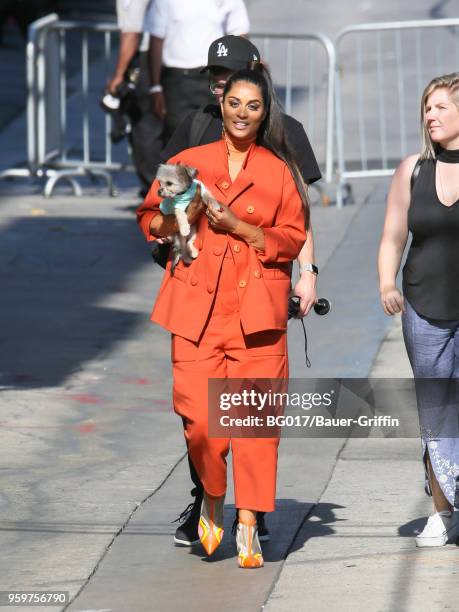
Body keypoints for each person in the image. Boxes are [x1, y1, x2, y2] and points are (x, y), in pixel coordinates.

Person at [137, 64, 308, 567]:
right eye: (235, 103)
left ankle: (249, 519)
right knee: (201, 423)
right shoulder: (187, 160)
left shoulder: (278, 170)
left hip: (256, 313)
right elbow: (150, 219)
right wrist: (179, 217)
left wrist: (242, 227)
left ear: (263, 115)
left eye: (253, 107)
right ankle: (213, 496)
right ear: (222, 105)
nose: (242, 113)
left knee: (255, 423)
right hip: (197, 311)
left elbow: (293, 237)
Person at [378, 72, 459, 547]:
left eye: (441, 107)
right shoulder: (412, 170)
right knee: (437, 412)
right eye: (427, 107)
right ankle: (442, 512)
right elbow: (392, 236)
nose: (430, 115)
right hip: (424, 309)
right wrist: (387, 282)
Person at [145, 0, 250, 139]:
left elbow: (239, 33)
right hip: (176, 80)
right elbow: (156, 39)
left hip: (214, 78)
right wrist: (155, 87)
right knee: (178, 138)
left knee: (214, 136)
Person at [106, 0, 164, 195]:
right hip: (180, 59)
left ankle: (156, 190)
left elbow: (132, 33)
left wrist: (118, 75)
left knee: (146, 127)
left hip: (151, 58)